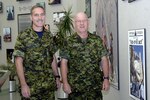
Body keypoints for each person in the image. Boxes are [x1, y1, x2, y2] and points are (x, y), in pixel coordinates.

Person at [13, 5, 60, 99]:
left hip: (48, 87)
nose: (39, 18)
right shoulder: (23, 36)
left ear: (45, 16)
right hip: (31, 87)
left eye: (42, 14)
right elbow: (18, 61)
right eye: (36, 15)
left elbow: (52, 57)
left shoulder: (49, 36)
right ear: (31, 17)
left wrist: (57, 76)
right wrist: (23, 84)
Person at [60, 12, 110, 100]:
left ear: (88, 23)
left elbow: (104, 59)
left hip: (94, 89)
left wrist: (106, 78)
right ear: (75, 24)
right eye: (79, 21)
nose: (82, 23)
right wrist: (65, 83)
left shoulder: (97, 40)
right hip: (75, 89)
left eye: (84, 21)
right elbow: (63, 63)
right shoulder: (68, 42)